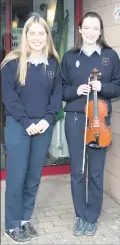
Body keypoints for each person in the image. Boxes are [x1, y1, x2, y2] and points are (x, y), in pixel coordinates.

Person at [61, 11, 120, 236]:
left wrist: (103, 88)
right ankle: (80, 216)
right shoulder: (69, 57)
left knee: (96, 172)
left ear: (100, 31)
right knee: (78, 171)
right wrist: (76, 90)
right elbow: (60, 89)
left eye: (95, 28)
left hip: (100, 122)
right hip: (76, 119)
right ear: (79, 30)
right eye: (86, 28)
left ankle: (92, 217)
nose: (90, 32)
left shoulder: (110, 56)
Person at [1, 13, 62, 244]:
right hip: (18, 126)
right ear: (25, 35)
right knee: (16, 177)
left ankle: (25, 219)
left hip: (43, 127)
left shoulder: (53, 63)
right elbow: (10, 98)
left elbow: (56, 97)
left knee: (33, 177)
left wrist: (47, 120)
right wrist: (28, 123)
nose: (37, 37)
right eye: (32, 33)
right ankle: (12, 225)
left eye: (41, 33)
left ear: (47, 36)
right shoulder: (11, 63)